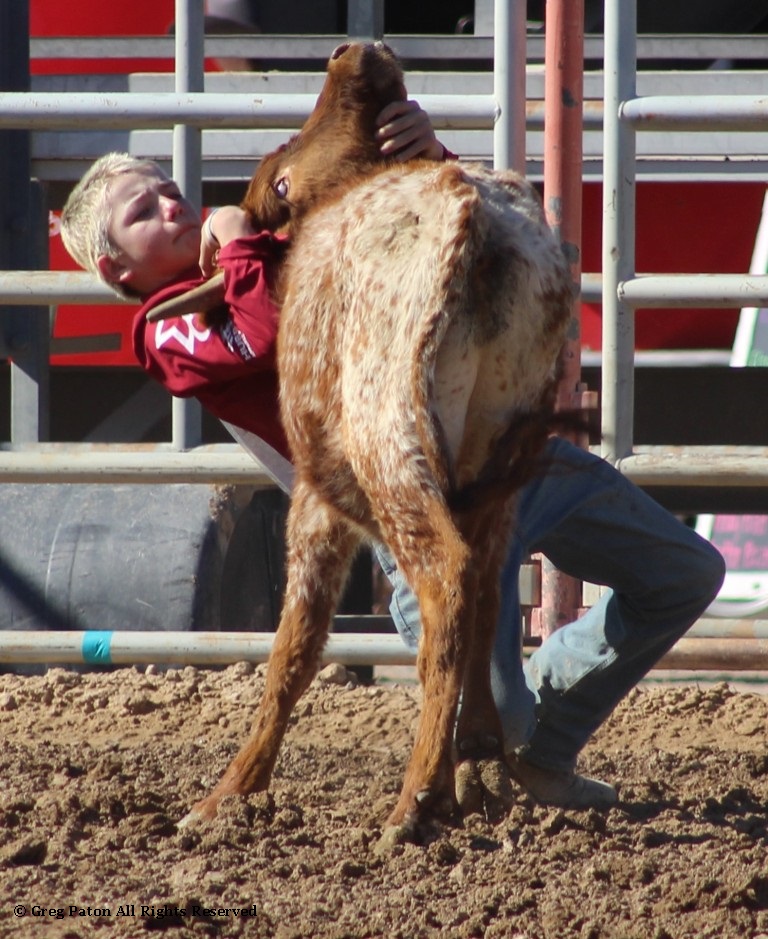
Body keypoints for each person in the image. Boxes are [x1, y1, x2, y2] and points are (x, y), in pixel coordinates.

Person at [60, 103, 725, 812]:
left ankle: (542, 739)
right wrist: (236, 246)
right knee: (491, 720)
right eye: (142, 211)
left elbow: (439, 244)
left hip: (507, 456)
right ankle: (527, 740)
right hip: (411, 516)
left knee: (686, 572)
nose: (170, 203)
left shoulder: (276, 240)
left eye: (166, 187)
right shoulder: (165, 329)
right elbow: (277, 332)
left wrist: (428, 154)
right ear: (118, 268)